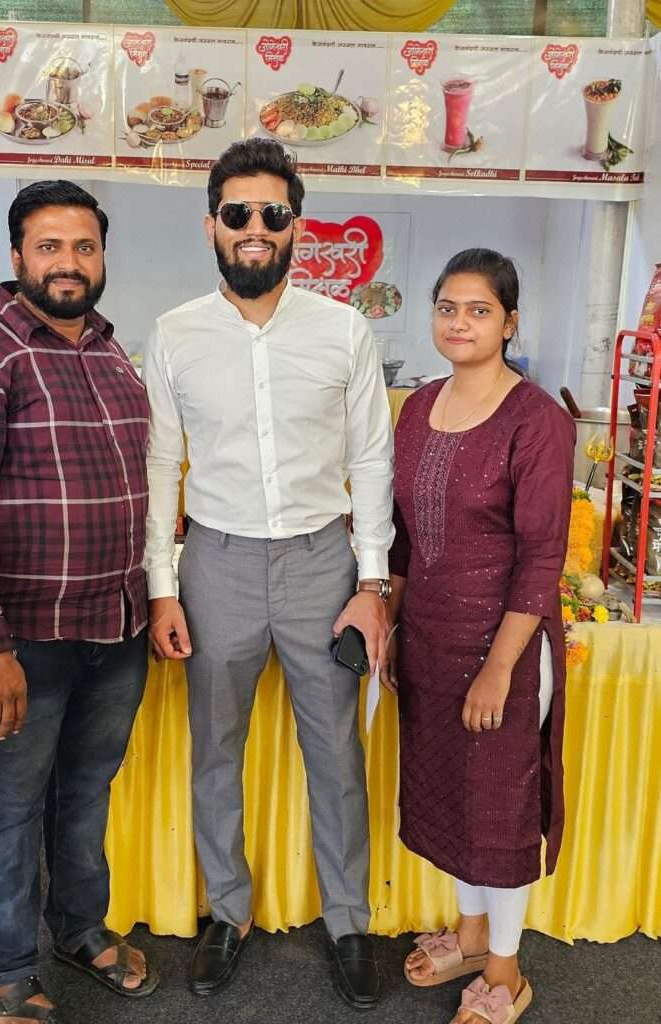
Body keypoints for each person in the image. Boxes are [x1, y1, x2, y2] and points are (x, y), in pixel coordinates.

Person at [143, 138, 394, 1010]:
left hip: (323, 563)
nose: (255, 229)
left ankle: (350, 921)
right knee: (213, 748)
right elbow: (158, 467)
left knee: (334, 752)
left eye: (272, 215)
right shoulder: (174, 334)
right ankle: (227, 911)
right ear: (212, 223)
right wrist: (161, 585)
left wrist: (372, 583)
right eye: (238, 213)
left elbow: (370, 460)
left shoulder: (343, 329)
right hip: (213, 561)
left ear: (295, 226)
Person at [0, 180, 159, 1024]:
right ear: (17, 255)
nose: (68, 263)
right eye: (49, 247)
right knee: (7, 806)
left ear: (101, 257)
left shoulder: (107, 352)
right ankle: (9, 970)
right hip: (17, 639)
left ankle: (77, 929)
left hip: (113, 629)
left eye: (83, 246)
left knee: (86, 793)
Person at [386, 249, 574, 1024]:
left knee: (495, 809)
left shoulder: (537, 420)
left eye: (477, 310)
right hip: (426, 638)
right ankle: (466, 935)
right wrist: (393, 622)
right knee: (448, 800)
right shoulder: (417, 404)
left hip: (502, 643)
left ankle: (503, 969)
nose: (459, 322)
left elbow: (541, 557)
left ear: (509, 322)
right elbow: (401, 536)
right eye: (446, 307)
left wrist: (501, 668)